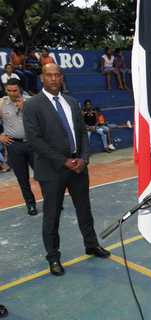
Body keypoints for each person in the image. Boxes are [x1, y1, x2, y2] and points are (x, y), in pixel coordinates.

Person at [24, 63, 110, 277]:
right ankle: (53, 257)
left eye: (57, 75)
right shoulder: (33, 105)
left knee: (85, 210)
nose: (53, 79)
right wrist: (63, 161)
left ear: (61, 77)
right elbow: (35, 140)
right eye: (49, 75)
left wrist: (83, 158)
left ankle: (91, 244)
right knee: (51, 216)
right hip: (52, 170)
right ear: (42, 78)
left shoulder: (71, 102)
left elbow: (82, 132)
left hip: (78, 168)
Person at [0, 78, 37, 215]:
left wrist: (26, 109)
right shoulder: (2, 103)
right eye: (9, 90)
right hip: (14, 145)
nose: (12, 93)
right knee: (22, 178)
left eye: (15, 90)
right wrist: (0, 136)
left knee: (43, 175)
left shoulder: (31, 101)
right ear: (5, 89)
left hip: (33, 144)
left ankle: (52, 201)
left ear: (20, 89)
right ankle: (31, 204)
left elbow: (43, 121)